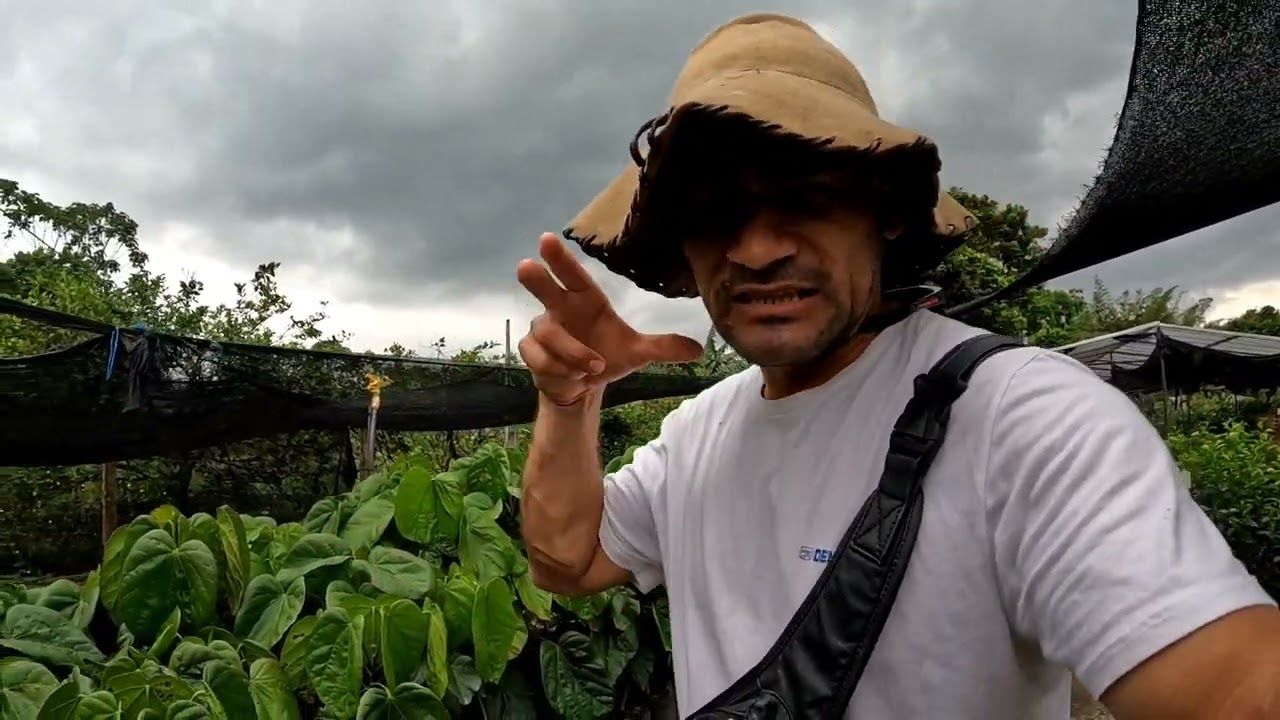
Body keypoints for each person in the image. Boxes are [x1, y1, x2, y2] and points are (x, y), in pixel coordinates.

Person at [516, 13, 1279, 720]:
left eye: (804, 197)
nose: (755, 251)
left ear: (883, 211)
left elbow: (1230, 689)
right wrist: (570, 396)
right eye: (716, 216)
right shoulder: (696, 434)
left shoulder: (1023, 416)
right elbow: (567, 559)